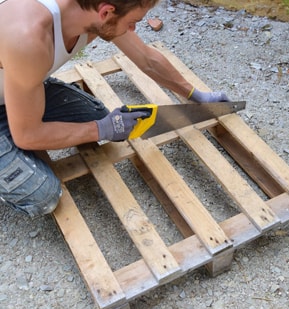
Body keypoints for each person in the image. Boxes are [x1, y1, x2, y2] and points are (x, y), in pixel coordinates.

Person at [0, 0, 230, 217]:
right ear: (107, 12)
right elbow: (27, 136)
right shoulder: (28, 37)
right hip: (21, 78)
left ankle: (24, 102)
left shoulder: (89, 14)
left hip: (17, 83)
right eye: (133, 21)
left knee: (97, 117)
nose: (134, 27)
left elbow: (146, 59)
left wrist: (194, 94)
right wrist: (101, 129)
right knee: (44, 195)